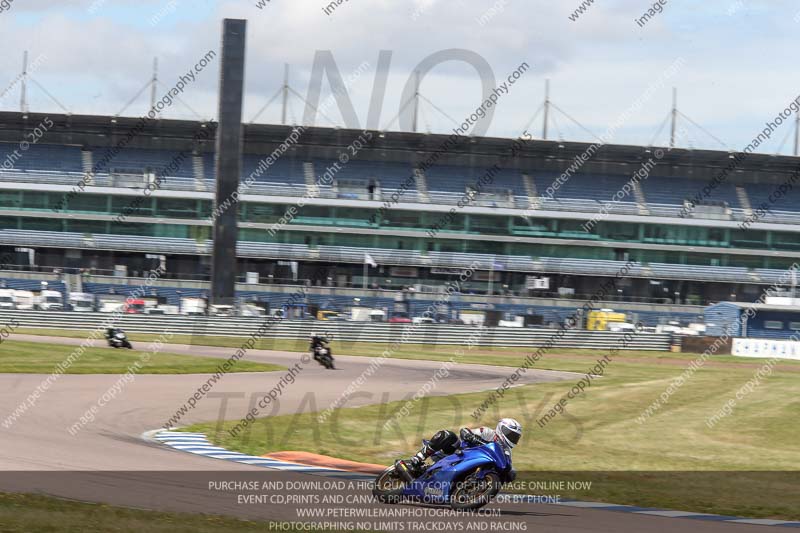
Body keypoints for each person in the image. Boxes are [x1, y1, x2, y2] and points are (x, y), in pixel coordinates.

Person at [398, 418, 522, 478]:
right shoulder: (488, 432)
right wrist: (472, 437)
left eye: (515, 437)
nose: (512, 438)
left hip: (471, 468)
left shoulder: (506, 451)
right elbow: (464, 431)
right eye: (511, 434)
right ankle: (418, 459)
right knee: (448, 435)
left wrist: (510, 473)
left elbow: (508, 466)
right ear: (502, 429)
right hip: (458, 454)